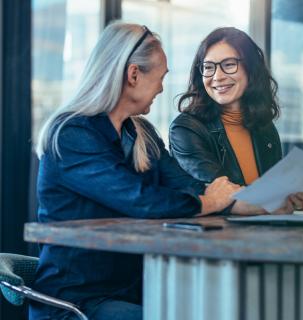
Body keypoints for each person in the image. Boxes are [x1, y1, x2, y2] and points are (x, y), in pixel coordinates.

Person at [30, 22, 242, 320]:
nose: (161, 87)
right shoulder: (71, 134)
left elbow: (187, 184)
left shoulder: (141, 133)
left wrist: (255, 201)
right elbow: (141, 200)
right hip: (78, 303)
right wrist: (211, 202)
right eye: (160, 77)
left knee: (218, 308)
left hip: (131, 292)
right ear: (133, 74)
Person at [169, 27, 303, 211]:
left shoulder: (263, 128)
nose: (217, 76)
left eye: (229, 65)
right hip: (217, 240)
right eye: (209, 67)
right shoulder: (187, 129)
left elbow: (277, 196)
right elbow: (226, 198)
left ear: (250, 69)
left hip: (262, 236)